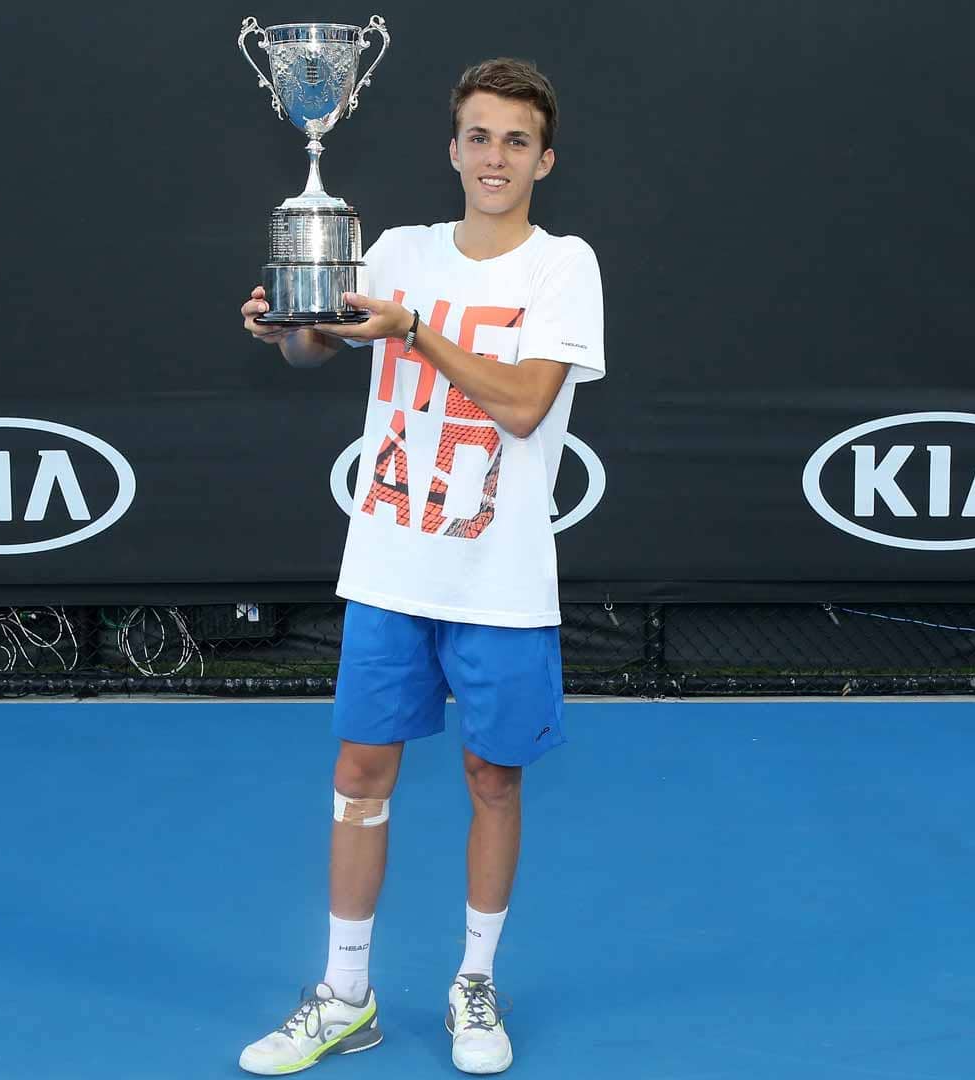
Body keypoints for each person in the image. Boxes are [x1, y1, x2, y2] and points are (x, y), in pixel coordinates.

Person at [234, 56, 604, 1076]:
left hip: (501, 578)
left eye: (515, 142)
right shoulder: (395, 249)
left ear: (544, 158)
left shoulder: (564, 265)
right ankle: (345, 992)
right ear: (453, 149)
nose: (495, 157)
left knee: (493, 777)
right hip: (391, 571)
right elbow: (322, 349)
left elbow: (525, 403)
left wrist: (418, 331)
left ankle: (474, 982)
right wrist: (284, 329)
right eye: (479, 137)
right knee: (359, 775)